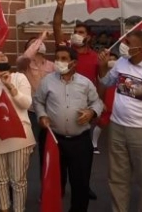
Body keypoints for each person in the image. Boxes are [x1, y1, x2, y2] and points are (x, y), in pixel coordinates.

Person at [98, 30, 142, 212]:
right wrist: (103, 66)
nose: (123, 45)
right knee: (117, 178)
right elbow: (107, 82)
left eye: (128, 43)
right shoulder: (122, 62)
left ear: (140, 49)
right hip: (117, 127)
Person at [35, 46, 103, 212]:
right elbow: (38, 101)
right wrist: (42, 116)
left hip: (79, 142)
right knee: (53, 182)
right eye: (57, 57)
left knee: (80, 183)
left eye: (64, 58)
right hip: (53, 139)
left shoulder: (85, 83)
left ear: (74, 63)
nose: (59, 61)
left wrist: (91, 112)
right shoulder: (47, 81)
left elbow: (97, 102)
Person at [0, 51, 35, 212]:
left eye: (4, 55)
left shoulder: (20, 78)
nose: (1, 56)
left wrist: (10, 86)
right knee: (0, 179)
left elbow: (26, 103)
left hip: (20, 135)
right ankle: (3, 209)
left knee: (18, 180)